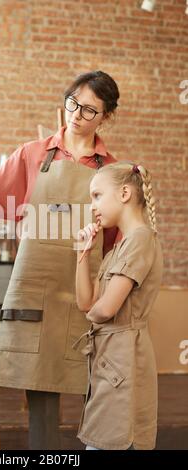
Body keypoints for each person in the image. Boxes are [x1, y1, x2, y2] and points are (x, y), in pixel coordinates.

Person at [0, 71, 120, 449]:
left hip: (87, 292)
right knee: (40, 388)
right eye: (73, 102)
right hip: (38, 291)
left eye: (89, 110)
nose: (77, 115)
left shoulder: (113, 170)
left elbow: (118, 239)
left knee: (96, 388)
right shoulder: (32, 154)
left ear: (105, 116)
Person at [75, 161, 163, 450]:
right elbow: (87, 302)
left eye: (97, 195)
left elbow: (105, 309)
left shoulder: (140, 240)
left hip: (125, 359)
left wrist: (95, 313)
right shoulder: (119, 247)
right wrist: (83, 255)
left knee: (113, 440)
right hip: (111, 357)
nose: (92, 206)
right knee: (104, 438)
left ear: (124, 193)